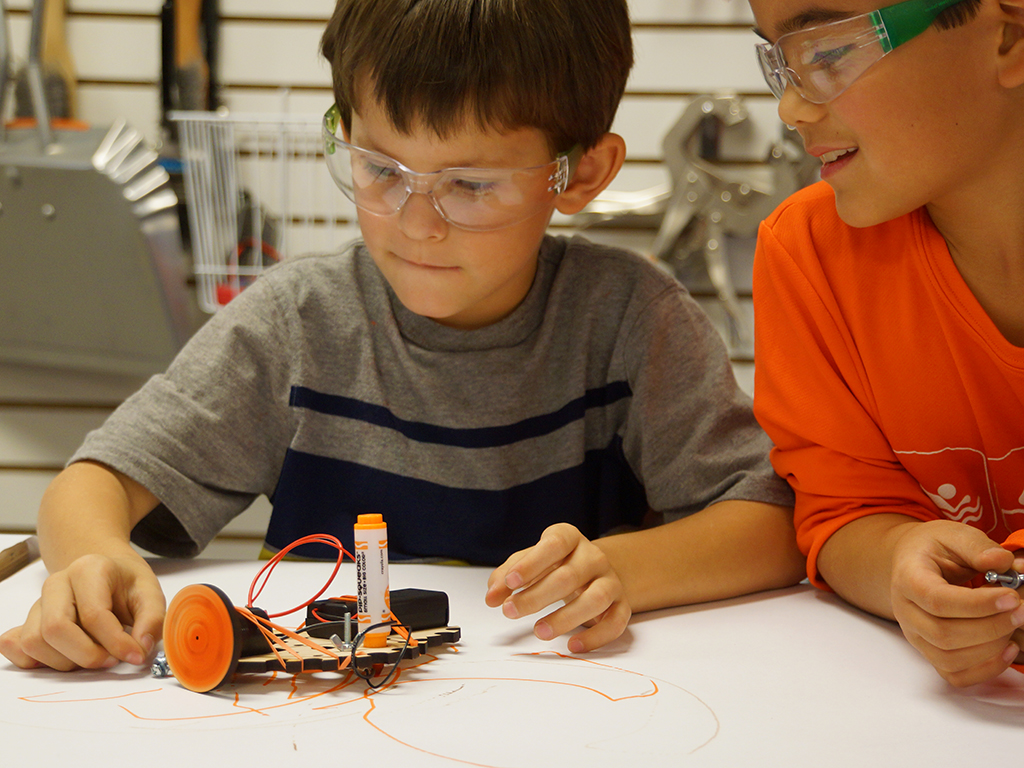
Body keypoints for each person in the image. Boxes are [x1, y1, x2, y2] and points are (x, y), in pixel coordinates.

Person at [0, 0, 804, 674]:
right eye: (380, 168)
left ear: (581, 173)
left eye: (472, 184)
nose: (418, 225)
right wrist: (85, 563)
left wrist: (625, 567)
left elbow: (770, 525)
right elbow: (91, 485)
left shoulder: (631, 319)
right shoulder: (298, 324)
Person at [747, 0, 1024, 687]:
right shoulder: (807, 256)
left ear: (1011, 37)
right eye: (778, 61)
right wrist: (902, 559)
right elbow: (842, 512)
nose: (791, 107)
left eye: (828, 53)